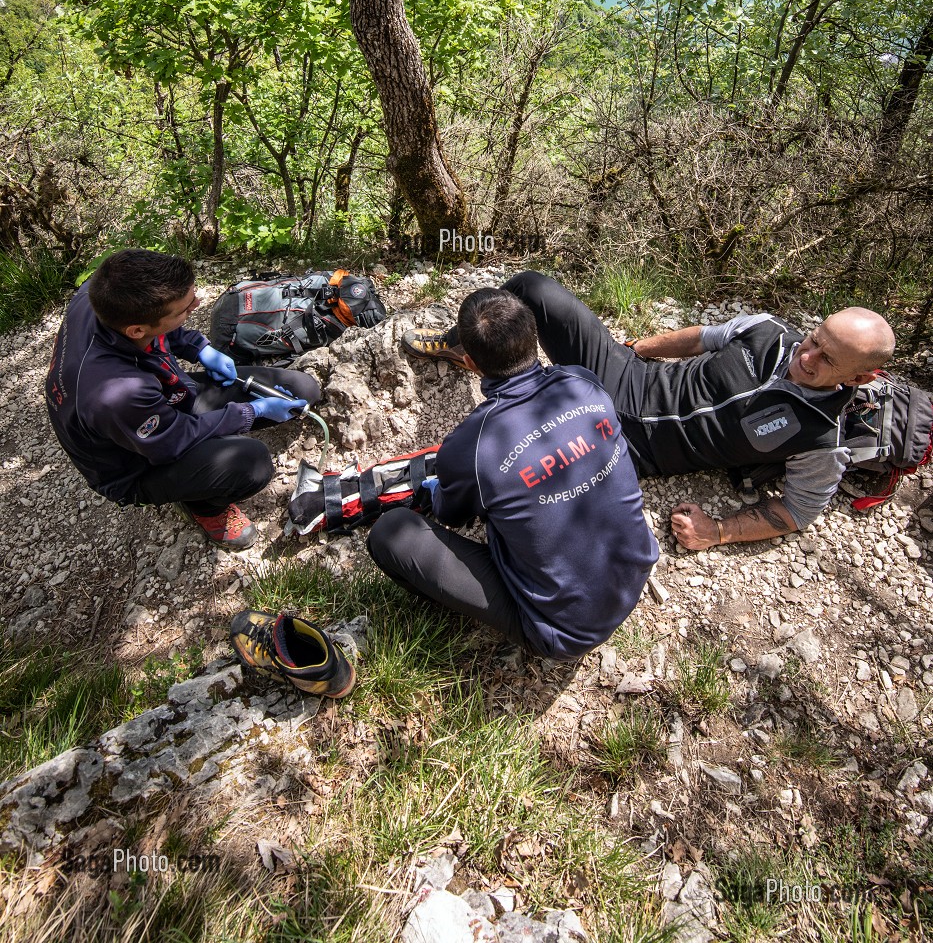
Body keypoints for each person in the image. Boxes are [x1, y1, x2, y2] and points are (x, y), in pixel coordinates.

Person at [402, 272, 896, 551]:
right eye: (814, 339)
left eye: (826, 359)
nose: (805, 357)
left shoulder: (821, 438)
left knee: (507, 465)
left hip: (622, 444)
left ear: (860, 378)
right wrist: (637, 347)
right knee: (533, 289)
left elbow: (797, 510)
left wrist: (718, 530)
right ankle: (464, 344)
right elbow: (705, 337)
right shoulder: (768, 332)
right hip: (627, 375)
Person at [369, 287, 659, 660]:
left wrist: (444, 485)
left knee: (390, 533)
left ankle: (449, 613)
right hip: (634, 574)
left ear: (469, 362)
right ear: (535, 340)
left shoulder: (469, 446)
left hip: (562, 632)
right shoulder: (583, 384)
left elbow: (449, 516)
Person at [46, 249, 321, 550]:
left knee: (301, 389)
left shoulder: (105, 292)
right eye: (186, 309)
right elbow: (173, 440)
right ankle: (204, 507)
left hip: (162, 399)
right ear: (136, 329)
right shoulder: (117, 392)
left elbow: (160, 329)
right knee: (250, 464)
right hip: (137, 462)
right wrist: (251, 411)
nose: (198, 305)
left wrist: (199, 348)